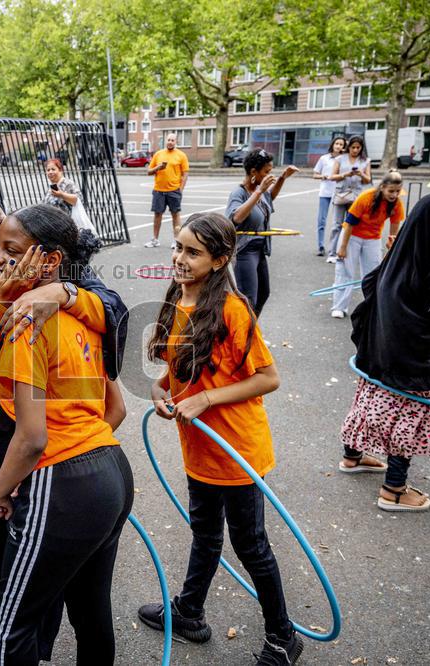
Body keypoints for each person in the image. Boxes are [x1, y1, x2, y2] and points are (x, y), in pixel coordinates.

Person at [0, 175, 128, 663]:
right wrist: (0, 306)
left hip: (38, 441)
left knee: (32, 563)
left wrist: (63, 294)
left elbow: (111, 311)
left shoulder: (44, 261)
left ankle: (29, 643)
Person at [137, 213, 303, 665]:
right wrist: (160, 389)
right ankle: (189, 613)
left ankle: (283, 636)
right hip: (200, 451)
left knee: (251, 547)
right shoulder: (178, 297)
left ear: (219, 259)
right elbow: (179, 370)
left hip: (237, 451)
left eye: (193, 252)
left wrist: (207, 398)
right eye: (178, 247)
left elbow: (268, 378)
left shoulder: (233, 310)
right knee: (206, 535)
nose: (180, 258)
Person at [0, 204, 133, 665]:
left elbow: (32, 439)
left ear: (49, 261)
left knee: (13, 626)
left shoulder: (27, 324)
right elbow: (116, 408)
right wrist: (82, 460)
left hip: (65, 486)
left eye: (11, 252)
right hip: (114, 474)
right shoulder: (87, 316)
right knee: (91, 610)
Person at [339, 194, 430, 510]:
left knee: (367, 400)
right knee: (407, 416)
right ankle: (394, 489)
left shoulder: (397, 256)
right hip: (412, 360)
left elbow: (373, 286)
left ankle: (352, 456)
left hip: (379, 351)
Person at [226, 149, 300, 317]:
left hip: (259, 248)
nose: (269, 175)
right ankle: (243, 331)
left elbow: (269, 198)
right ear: (253, 172)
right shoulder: (239, 193)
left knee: (263, 293)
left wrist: (282, 178)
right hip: (244, 250)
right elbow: (236, 217)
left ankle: (251, 327)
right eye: (266, 172)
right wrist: (259, 192)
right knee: (248, 298)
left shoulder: (259, 189)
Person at [329, 171, 406, 319]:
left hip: (373, 238)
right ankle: (339, 307)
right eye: (391, 191)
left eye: (397, 191)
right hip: (352, 236)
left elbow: (394, 229)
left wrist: (391, 247)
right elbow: (349, 223)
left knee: (373, 274)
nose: (394, 195)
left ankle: (372, 307)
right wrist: (343, 248)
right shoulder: (366, 197)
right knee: (345, 272)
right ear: (382, 187)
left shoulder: (396, 204)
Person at [327, 135, 371, 263]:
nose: (355, 150)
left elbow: (368, 180)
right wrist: (345, 174)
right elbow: (332, 177)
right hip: (341, 195)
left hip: (357, 196)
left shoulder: (365, 160)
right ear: (349, 147)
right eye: (353, 147)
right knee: (337, 225)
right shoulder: (340, 158)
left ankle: (348, 252)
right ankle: (332, 253)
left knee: (353, 225)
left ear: (361, 148)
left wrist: (361, 174)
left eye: (358, 147)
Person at [145, 133, 189, 248]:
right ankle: (155, 240)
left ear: (176, 142)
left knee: (175, 215)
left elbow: (185, 174)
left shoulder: (181, 155)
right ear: (166, 141)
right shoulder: (158, 154)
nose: (170, 142)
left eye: (172, 140)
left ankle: (177, 240)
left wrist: (180, 190)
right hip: (158, 190)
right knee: (157, 214)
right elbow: (149, 171)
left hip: (174, 190)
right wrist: (158, 167)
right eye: (168, 140)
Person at [312, 137, 346, 256]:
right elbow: (315, 175)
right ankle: (320, 246)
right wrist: (323, 176)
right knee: (321, 220)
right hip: (325, 193)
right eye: (337, 143)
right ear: (332, 144)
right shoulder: (324, 158)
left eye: (341, 144)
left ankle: (336, 247)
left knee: (338, 223)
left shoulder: (345, 159)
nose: (338, 146)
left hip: (340, 194)